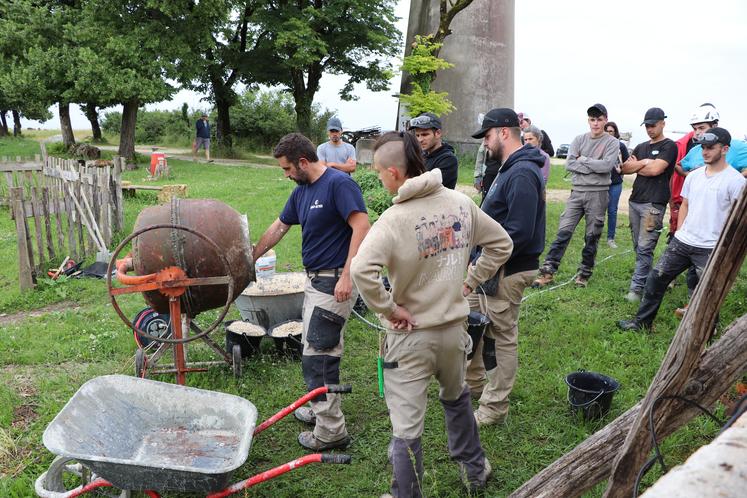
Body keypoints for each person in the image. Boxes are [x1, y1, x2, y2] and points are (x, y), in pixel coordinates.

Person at [351, 131, 513, 498]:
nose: (378, 177)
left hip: (411, 338)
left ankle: (405, 494)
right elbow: (501, 243)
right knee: (457, 398)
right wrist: (470, 282)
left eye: (378, 172)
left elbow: (361, 270)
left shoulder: (394, 219)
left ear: (393, 172)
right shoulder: (460, 203)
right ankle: (475, 470)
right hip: (455, 332)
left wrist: (390, 309)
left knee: (407, 427)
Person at [252, 133, 370, 451]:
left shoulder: (338, 185)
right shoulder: (302, 191)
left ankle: (331, 431)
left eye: (287, 168)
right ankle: (320, 407)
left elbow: (362, 226)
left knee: (318, 357)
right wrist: (251, 256)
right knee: (316, 346)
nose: (286, 175)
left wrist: (347, 275)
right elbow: (279, 227)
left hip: (334, 281)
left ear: (303, 162)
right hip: (315, 281)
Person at [617, 127, 745, 331]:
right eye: (703, 147)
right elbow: (684, 204)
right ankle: (642, 324)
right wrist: (680, 233)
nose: (705, 151)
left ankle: (707, 333)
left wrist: (726, 246)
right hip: (683, 242)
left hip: (711, 247)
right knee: (656, 278)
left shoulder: (735, 181)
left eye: (711, 147)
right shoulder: (694, 176)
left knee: (707, 292)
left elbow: (738, 218)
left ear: (725, 149)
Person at [466, 108, 546, 426]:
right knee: (471, 322)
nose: (484, 144)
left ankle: (494, 408)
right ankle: (472, 386)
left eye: (486, 136)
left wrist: (486, 260)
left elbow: (520, 231)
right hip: (489, 265)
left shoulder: (522, 173)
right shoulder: (507, 168)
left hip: (506, 269)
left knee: (500, 336)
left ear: (502, 132)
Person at [533, 103, 618, 288]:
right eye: (592, 119)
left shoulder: (612, 142)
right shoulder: (579, 139)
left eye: (599, 119)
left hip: (598, 194)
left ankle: (584, 273)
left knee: (592, 235)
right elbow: (569, 164)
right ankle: (548, 271)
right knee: (563, 231)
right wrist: (591, 165)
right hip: (577, 192)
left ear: (605, 119)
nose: (595, 123)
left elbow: (606, 166)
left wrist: (584, 160)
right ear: (588, 120)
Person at [620, 108, 678, 303]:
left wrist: (642, 165)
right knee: (638, 246)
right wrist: (645, 162)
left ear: (663, 123)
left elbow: (656, 170)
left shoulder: (669, 146)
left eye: (653, 125)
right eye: (647, 125)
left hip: (653, 203)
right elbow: (625, 168)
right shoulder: (641, 146)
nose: (649, 129)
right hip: (635, 200)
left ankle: (636, 290)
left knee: (645, 248)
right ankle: (651, 279)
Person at [408, 112, 459, 189]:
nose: (420, 139)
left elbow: (425, 188)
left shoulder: (448, 160)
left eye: (425, 134)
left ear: (438, 133)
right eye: (417, 135)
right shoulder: (421, 155)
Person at [603, 121, 630, 248]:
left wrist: (622, 170)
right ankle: (592, 237)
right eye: (607, 131)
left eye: (611, 131)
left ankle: (610, 238)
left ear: (615, 132)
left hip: (615, 183)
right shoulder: (600, 144)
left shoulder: (621, 146)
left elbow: (627, 163)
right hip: (601, 183)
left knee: (612, 211)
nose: (609, 134)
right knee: (597, 210)